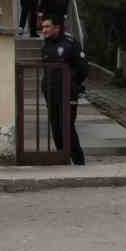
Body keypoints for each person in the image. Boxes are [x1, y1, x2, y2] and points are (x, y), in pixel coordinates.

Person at [39, 11, 88, 166]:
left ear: (57, 28)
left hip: (68, 93)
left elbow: (83, 69)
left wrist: (72, 85)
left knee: (66, 125)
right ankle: (62, 159)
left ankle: (79, 161)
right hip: (51, 93)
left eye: (47, 26)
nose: (44, 30)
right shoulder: (46, 45)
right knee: (55, 126)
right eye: (43, 27)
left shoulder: (70, 43)